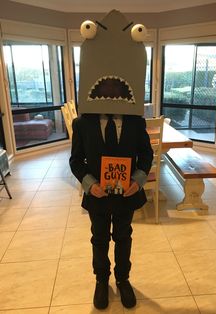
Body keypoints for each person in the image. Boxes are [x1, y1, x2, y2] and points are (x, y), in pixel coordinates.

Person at [69, 10, 153, 310]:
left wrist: (138, 180)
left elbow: (146, 154)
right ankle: (101, 280)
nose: (111, 91)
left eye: (116, 86)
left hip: (127, 193)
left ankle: (123, 278)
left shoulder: (135, 123)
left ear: (123, 87)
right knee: (99, 238)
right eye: (105, 86)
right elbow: (76, 161)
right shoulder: (83, 124)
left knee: (124, 237)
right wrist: (89, 184)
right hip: (98, 195)